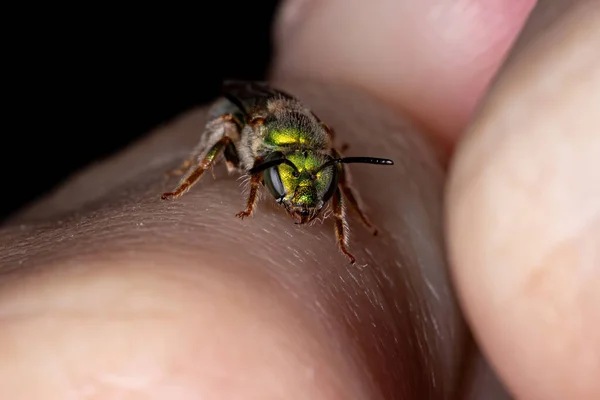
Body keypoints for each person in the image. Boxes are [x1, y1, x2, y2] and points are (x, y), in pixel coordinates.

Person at [1, 1, 597, 398]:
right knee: (224, 130)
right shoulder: (263, 147)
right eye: (299, 179)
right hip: (246, 116)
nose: (305, 194)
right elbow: (246, 132)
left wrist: (351, 220)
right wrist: (196, 179)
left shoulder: (318, 156)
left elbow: (326, 170)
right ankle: (190, 172)